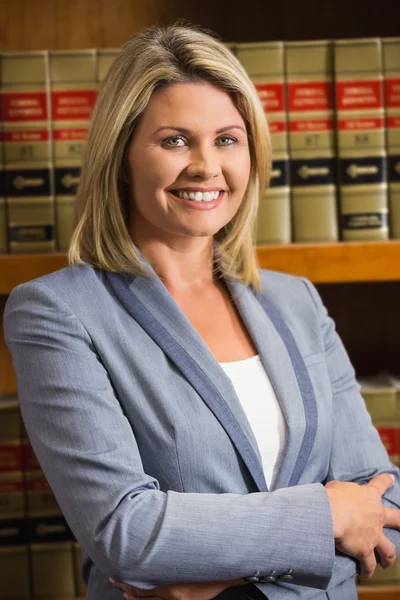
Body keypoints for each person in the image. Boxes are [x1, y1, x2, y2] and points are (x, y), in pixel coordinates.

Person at [4, 22, 400, 600]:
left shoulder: (296, 301)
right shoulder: (57, 313)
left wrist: (208, 572)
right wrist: (325, 516)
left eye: (227, 139)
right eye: (174, 140)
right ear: (121, 158)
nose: (205, 167)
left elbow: (382, 502)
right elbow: (127, 531)